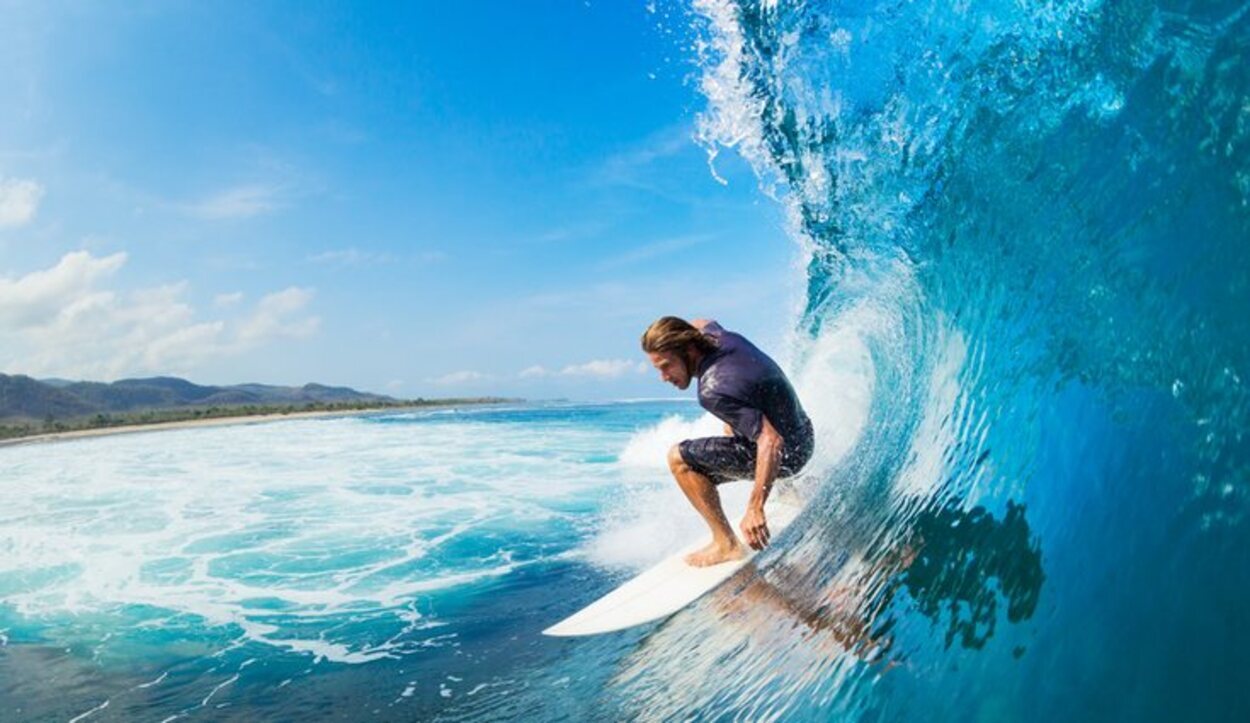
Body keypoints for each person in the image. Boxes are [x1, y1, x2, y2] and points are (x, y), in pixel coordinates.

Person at [641, 316, 814, 567]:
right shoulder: (717, 337)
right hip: (804, 435)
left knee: (678, 459)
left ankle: (726, 544)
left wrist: (756, 507)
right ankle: (788, 488)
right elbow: (703, 321)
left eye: (666, 365)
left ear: (689, 350)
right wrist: (672, 332)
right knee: (734, 419)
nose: (663, 377)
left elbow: (770, 440)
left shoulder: (713, 390)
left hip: (789, 456)